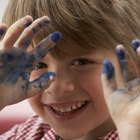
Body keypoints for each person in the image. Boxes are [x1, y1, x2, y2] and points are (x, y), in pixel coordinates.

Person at [0, 0, 140, 139]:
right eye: (38, 65)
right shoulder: (26, 135)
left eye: (81, 62)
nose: (56, 89)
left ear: (135, 61)